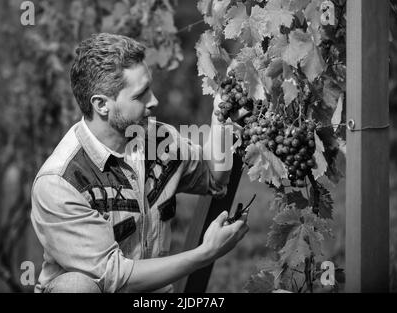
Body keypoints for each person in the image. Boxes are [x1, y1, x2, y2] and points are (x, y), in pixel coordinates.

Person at [30, 33, 249, 293]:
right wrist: (205, 253)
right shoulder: (60, 182)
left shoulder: (157, 140)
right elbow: (114, 276)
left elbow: (214, 177)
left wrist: (220, 117)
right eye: (141, 95)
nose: (154, 101)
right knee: (74, 287)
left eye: (150, 89)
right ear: (101, 104)